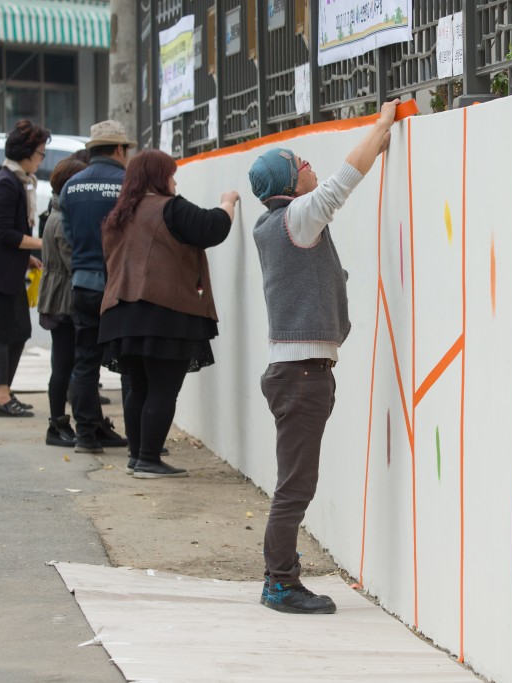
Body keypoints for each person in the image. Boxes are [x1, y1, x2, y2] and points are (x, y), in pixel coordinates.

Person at [249, 98, 399, 614]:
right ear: (289, 185)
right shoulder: (296, 219)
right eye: (300, 163)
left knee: (295, 482)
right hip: (301, 375)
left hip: (296, 371)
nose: (310, 165)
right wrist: (382, 126)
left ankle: (281, 579)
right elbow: (345, 178)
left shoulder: (275, 226)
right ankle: (280, 584)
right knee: (295, 487)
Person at [99, 150, 239, 478]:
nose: (175, 181)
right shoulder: (168, 208)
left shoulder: (118, 215)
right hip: (162, 313)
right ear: (158, 177)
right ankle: (148, 458)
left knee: (139, 387)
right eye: (171, 174)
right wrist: (228, 202)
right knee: (163, 389)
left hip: (121, 314)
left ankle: (137, 457)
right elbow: (212, 228)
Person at [60, 120, 132, 453]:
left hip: (83, 284)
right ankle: (140, 443)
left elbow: (70, 238)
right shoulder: (128, 184)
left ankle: (85, 436)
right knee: (132, 362)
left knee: (85, 362)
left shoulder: (70, 186)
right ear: (120, 149)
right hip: (120, 286)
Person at [0, 120, 49, 418]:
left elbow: (7, 232)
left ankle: (4, 392)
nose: (42, 159)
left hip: (9, 270)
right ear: (26, 153)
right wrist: (41, 243)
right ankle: (0, 397)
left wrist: (28, 255)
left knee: (18, 331)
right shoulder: (7, 182)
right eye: (40, 153)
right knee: (2, 334)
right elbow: (3, 233)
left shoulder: (18, 181)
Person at [36, 157, 88, 446]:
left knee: (67, 363)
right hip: (63, 300)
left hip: (59, 297)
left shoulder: (56, 211)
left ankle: (67, 424)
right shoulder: (61, 220)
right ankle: (57, 425)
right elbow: (74, 262)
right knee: (64, 365)